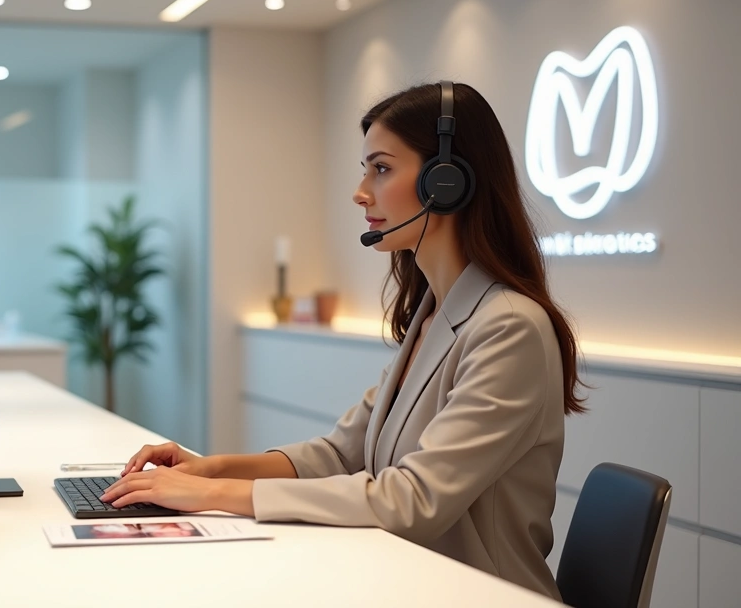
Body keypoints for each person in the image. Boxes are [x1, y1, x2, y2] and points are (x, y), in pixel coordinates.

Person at [101, 82, 584, 601]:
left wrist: (213, 494)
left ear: (447, 182)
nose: (361, 191)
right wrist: (211, 466)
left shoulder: (509, 328)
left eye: (381, 168)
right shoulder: (433, 314)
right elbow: (340, 453)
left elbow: (412, 500)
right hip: (408, 582)